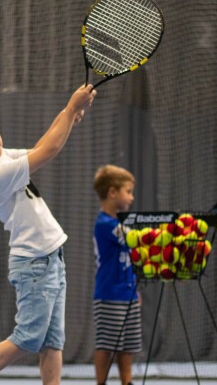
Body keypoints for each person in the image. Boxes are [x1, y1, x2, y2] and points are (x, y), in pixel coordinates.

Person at [0, 84, 96, 385]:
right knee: (28, 339)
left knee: (53, 342)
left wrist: (70, 112)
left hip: (52, 258)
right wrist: (70, 106)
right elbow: (49, 151)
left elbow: (40, 146)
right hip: (35, 264)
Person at [92, 165, 141, 385]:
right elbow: (133, 238)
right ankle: (101, 382)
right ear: (113, 192)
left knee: (128, 344)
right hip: (108, 294)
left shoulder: (121, 224)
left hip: (128, 293)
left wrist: (135, 289)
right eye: (128, 191)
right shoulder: (104, 224)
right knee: (107, 344)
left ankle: (126, 381)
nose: (131, 198)